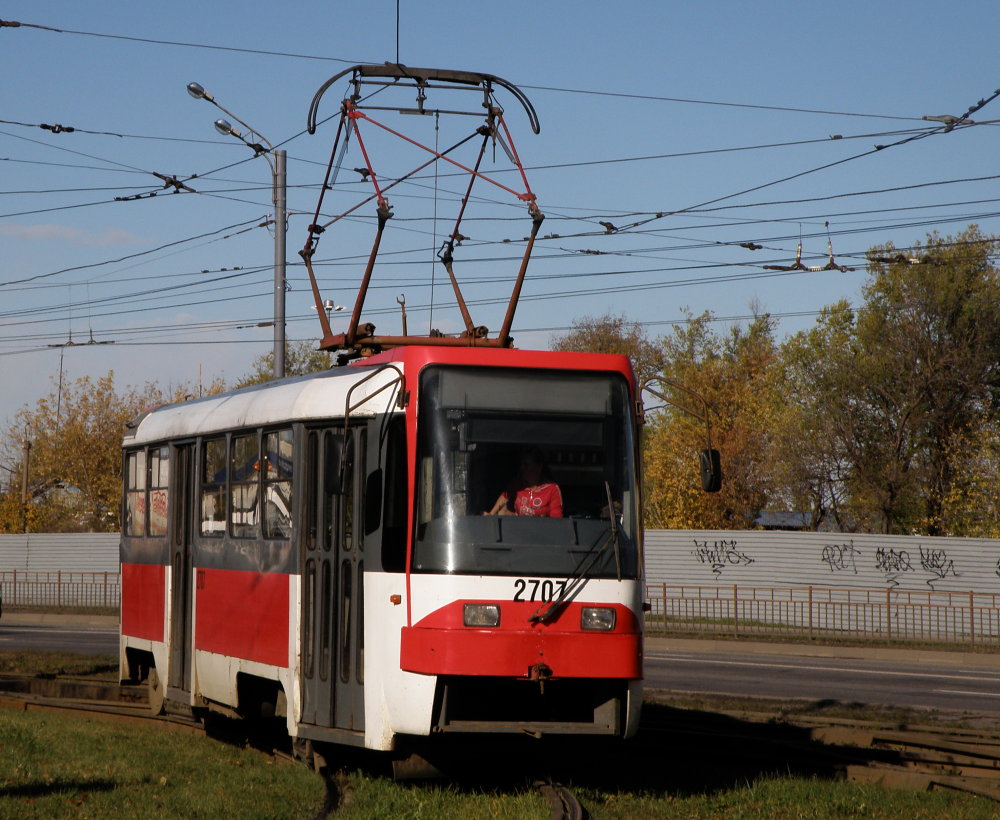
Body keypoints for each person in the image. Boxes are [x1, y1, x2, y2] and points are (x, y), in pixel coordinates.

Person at [486, 447, 563, 517]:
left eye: (526, 464)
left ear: (539, 467)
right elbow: (505, 496)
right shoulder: (517, 485)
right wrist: (491, 514)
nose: (522, 468)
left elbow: (556, 519)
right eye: (522, 464)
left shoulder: (552, 489)